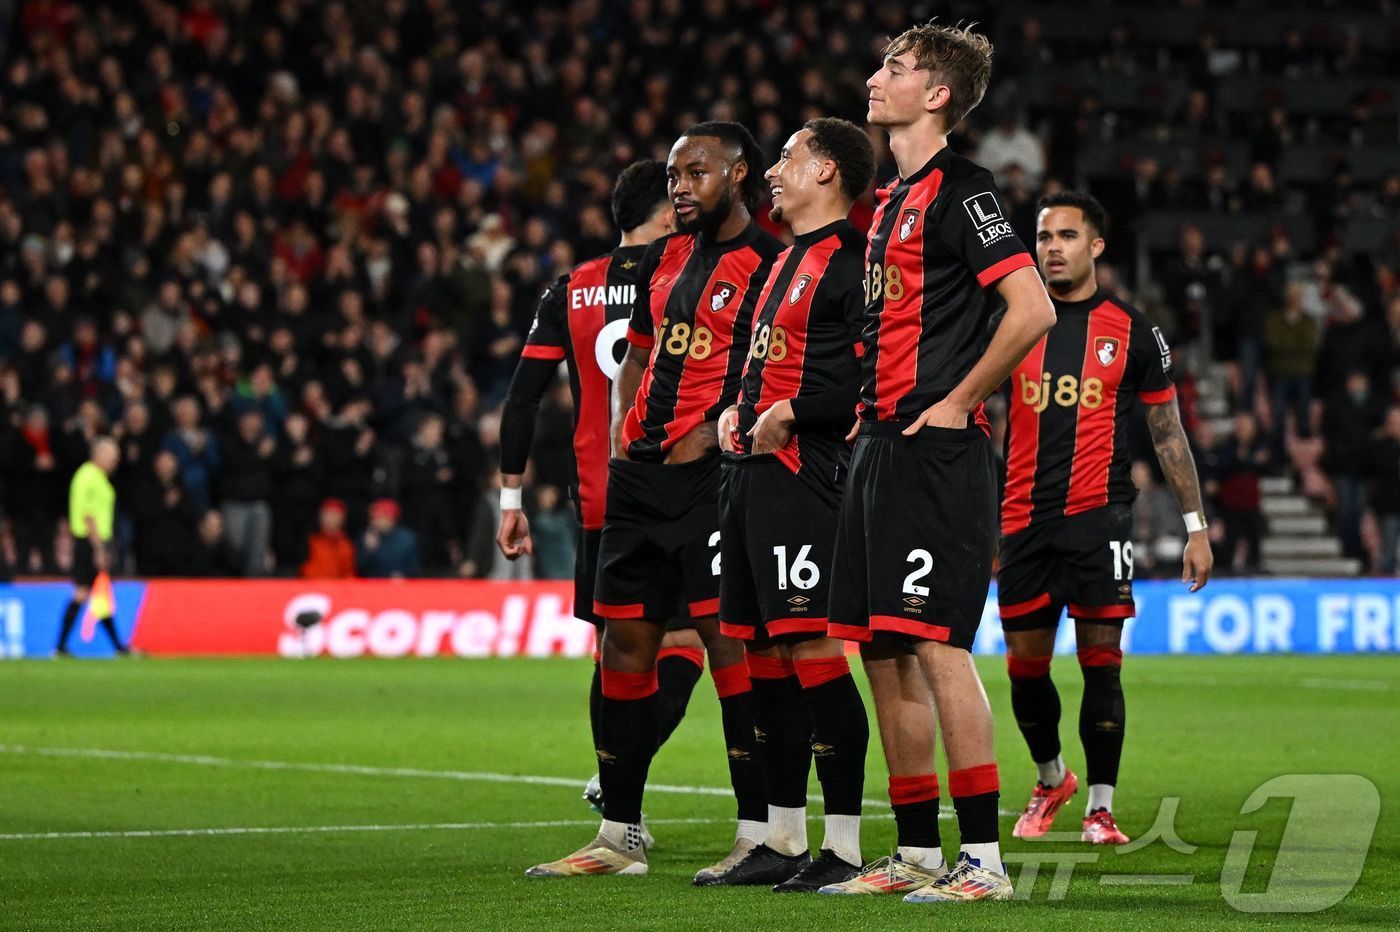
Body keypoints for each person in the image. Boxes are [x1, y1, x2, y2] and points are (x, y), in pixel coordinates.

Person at [823, 23, 1056, 902]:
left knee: (938, 648)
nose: (877, 77)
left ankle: (984, 862)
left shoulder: (966, 191)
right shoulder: (885, 200)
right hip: (880, 447)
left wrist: (959, 400)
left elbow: (1029, 309)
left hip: (940, 452)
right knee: (881, 652)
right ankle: (917, 851)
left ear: (939, 96)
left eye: (897, 67)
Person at [529, 123, 784, 880]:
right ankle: (620, 835)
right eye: (673, 174)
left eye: (695, 172)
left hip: (716, 481)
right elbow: (639, 349)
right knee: (623, 647)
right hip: (640, 478)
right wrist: (622, 429)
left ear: (739, 176)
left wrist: (713, 433)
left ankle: (757, 831)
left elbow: (781, 364)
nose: (678, 186)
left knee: (728, 647)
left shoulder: (772, 264)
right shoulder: (666, 257)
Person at [997, 192, 1213, 849]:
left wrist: (1196, 525)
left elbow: (1168, 432)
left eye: (1067, 235)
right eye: (1043, 235)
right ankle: (1050, 778)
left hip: (1099, 517)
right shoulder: (1012, 321)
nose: (1052, 246)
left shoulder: (1133, 329)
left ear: (1096, 245)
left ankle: (1100, 807)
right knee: (1025, 669)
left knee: (1102, 665)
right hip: (1023, 519)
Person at [498, 160, 705, 843]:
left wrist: (510, 496)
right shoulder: (688, 273)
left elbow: (523, 397)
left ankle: (622, 805)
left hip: (598, 497)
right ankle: (636, 780)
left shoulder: (572, 288)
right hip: (678, 485)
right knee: (689, 644)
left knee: (614, 649)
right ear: (668, 214)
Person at [706, 118, 875, 892]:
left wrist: (792, 414)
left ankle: (842, 845)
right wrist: (734, 409)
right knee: (761, 654)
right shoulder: (783, 263)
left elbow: (866, 384)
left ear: (828, 171)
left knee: (811, 650)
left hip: (806, 475)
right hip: (749, 477)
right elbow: (764, 363)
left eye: (787, 157)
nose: (772, 170)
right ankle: (781, 835)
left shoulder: (851, 261)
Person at [56, 437, 128, 656]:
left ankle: (118, 647)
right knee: (84, 592)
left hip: (96, 541)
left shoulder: (97, 477)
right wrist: (98, 548)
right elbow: (88, 515)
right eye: (112, 454)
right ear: (98, 453)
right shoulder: (87, 476)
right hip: (90, 541)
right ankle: (60, 647)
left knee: (98, 593)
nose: (116, 459)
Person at [356, 498, 420, 578]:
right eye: (375, 517)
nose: (378, 521)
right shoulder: (366, 536)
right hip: (372, 585)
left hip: (399, 585)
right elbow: (359, 568)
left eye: (384, 517)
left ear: (393, 519)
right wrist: (368, 551)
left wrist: (403, 575)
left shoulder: (406, 538)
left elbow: (414, 567)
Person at [301, 498, 356, 579]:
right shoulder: (310, 540)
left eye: (335, 515)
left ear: (342, 519)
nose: (331, 519)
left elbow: (349, 574)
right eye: (328, 514)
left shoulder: (346, 545)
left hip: (336, 589)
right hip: (312, 588)